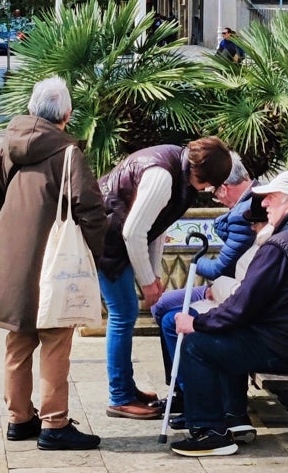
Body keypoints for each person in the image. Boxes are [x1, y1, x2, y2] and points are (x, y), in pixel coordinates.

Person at [0, 76, 108, 451]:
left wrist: (16, 209)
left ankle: (18, 419)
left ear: (32, 108)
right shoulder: (67, 153)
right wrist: (96, 252)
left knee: (18, 338)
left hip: (14, 256)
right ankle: (54, 424)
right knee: (56, 340)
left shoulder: (9, 143)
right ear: (67, 114)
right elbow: (90, 209)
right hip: (54, 259)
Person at [170, 170, 288, 457]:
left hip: (287, 346)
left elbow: (243, 304)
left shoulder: (280, 245)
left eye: (271, 198)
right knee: (220, 331)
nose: (264, 205)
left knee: (197, 346)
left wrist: (197, 323)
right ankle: (232, 417)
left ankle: (211, 432)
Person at [98, 137, 232, 419]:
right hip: (106, 239)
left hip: (115, 235)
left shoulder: (179, 168)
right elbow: (133, 232)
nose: (208, 190)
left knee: (125, 312)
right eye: (208, 184)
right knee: (123, 314)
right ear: (199, 173)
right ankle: (120, 397)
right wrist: (147, 281)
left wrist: (155, 274)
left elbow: (157, 226)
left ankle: (126, 388)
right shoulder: (161, 176)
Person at [151, 154, 257, 413]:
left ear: (225, 187)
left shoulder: (246, 212)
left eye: (214, 193)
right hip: (231, 286)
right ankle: (180, 386)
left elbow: (222, 266)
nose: (216, 199)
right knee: (161, 306)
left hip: (232, 290)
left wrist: (197, 264)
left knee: (169, 316)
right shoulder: (243, 207)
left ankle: (190, 392)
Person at [161, 196, 271, 442]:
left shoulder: (271, 245)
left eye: (256, 222)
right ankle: (191, 397)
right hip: (237, 308)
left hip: (247, 317)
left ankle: (220, 413)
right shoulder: (261, 238)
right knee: (170, 317)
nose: (251, 227)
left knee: (195, 334)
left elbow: (242, 295)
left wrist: (217, 288)